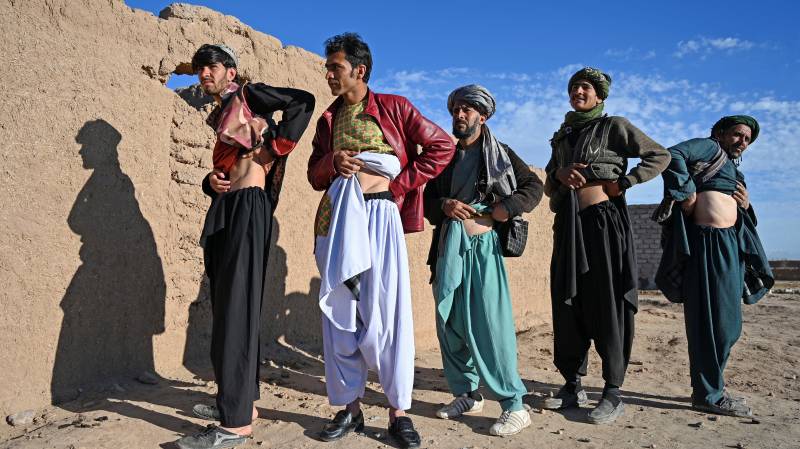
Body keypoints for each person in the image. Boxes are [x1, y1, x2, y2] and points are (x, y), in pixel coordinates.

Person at [307, 33, 455, 448]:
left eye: (334, 67)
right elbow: (313, 176)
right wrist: (331, 161)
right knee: (339, 315)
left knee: (386, 312)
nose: (329, 75)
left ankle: (398, 411)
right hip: (337, 220)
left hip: (380, 215)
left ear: (360, 70)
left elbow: (440, 146)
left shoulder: (393, 107)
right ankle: (349, 409)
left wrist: (401, 186)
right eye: (328, 67)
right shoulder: (328, 120)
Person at [176, 43, 314, 449]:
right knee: (227, 304)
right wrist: (210, 181)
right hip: (227, 207)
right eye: (200, 68)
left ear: (230, 71)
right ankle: (239, 403)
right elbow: (226, 167)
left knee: (237, 306)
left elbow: (303, 103)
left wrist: (276, 148)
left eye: (212, 66)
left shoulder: (249, 97)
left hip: (248, 208)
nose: (204, 74)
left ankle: (235, 426)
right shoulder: (223, 114)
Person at [543, 67, 670, 424]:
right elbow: (551, 185)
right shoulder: (562, 135)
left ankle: (613, 390)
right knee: (568, 302)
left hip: (604, 224)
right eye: (573, 87)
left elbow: (659, 156)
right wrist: (558, 175)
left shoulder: (615, 126)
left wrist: (624, 182)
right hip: (569, 225)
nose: (578, 92)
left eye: (585, 87)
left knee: (608, 300)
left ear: (599, 95)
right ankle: (572, 383)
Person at [423, 84, 543, 436]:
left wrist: (504, 210)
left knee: (491, 327)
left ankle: (515, 405)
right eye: (455, 109)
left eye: (466, 109)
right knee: (450, 324)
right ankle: (467, 394)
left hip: (483, 251)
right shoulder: (444, 153)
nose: (459, 115)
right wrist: (444, 205)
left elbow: (533, 187)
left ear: (482, 115)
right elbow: (429, 200)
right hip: (448, 250)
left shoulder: (500, 153)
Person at [655, 115, 774, 418]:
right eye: (737, 135)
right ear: (721, 134)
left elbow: (738, 209)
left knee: (728, 326)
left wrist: (746, 205)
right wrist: (685, 194)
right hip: (705, 246)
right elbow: (673, 155)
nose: (742, 142)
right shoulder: (709, 148)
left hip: (729, 248)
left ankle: (712, 388)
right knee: (709, 324)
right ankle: (708, 394)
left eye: (747, 139)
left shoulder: (733, 169)